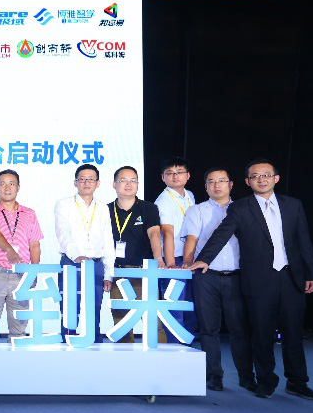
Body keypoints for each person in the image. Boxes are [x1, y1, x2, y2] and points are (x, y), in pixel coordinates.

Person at [191, 159, 313, 400]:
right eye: (255, 176)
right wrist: (204, 259)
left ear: (276, 179)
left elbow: (303, 241)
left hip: (291, 277)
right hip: (259, 280)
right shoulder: (240, 207)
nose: (262, 179)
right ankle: (266, 381)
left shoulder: (293, 205)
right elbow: (222, 234)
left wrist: (311, 273)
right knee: (262, 334)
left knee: (293, 333)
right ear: (247, 182)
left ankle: (297, 382)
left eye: (266, 175)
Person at [180, 167, 253, 392]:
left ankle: (246, 376)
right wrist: (188, 264)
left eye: (221, 181)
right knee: (208, 328)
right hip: (206, 276)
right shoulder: (197, 210)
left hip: (237, 276)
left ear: (231, 184)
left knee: (239, 329)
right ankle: (214, 375)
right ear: (205, 187)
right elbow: (191, 240)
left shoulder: (245, 209)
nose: (216, 185)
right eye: (211, 182)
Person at [0, 169, 43, 339]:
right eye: (3, 184)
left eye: (12, 183)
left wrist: (33, 272)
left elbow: (35, 245)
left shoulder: (29, 214)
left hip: (21, 275)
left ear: (18, 187)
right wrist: (9, 250)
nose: (7, 188)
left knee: (19, 328)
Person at [54, 165, 114, 341]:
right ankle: (67, 345)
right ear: (75, 182)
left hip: (96, 265)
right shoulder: (64, 204)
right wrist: (76, 255)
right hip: (71, 263)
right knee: (69, 310)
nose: (86, 183)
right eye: (82, 179)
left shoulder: (103, 208)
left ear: (98, 183)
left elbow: (108, 240)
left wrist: (108, 274)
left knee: (94, 310)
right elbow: (62, 232)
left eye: (91, 179)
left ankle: (94, 349)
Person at [107, 166, 165, 344]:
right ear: (114, 184)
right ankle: (126, 360)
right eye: (123, 180)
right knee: (121, 324)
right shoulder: (105, 210)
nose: (128, 184)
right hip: (118, 274)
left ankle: (161, 359)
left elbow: (154, 233)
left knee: (153, 322)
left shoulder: (148, 208)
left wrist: (158, 258)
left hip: (144, 273)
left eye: (133, 180)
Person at [156, 157, 197, 337]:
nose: (175, 176)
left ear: (188, 175)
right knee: (175, 308)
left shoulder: (189, 195)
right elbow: (167, 233)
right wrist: (171, 263)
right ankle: (174, 347)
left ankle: (186, 345)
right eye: (170, 173)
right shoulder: (164, 200)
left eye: (179, 172)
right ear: (163, 177)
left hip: (189, 258)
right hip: (174, 259)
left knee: (189, 306)